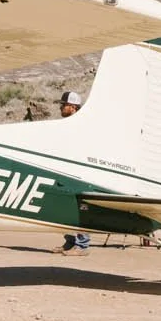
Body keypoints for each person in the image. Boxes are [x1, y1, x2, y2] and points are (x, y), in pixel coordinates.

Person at [56, 92, 90, 254]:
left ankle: (82, 246)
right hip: (65, 171)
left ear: (73, 107)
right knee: (63, 208)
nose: (60, 108)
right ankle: (70, 241)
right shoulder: (66, 125)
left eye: (63, 105)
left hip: (78, 173)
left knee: (79, 209)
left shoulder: (82, 126)